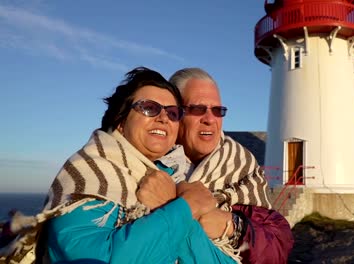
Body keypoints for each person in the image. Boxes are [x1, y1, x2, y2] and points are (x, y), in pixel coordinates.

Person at [0, 67, 237, 264]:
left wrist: (176, 208)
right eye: (149, 107)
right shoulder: (91, 176)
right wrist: (185, 208)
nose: (163, 117)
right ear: (120, 121)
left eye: (173, 112)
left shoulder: (170, 178)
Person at [167, 68, 294, 263]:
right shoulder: (146, 164)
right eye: (198, 109)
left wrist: (233, 227)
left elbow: (278, 245)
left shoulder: (243, 167)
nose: (210, 119)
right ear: (175, 113)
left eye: (218, 111)